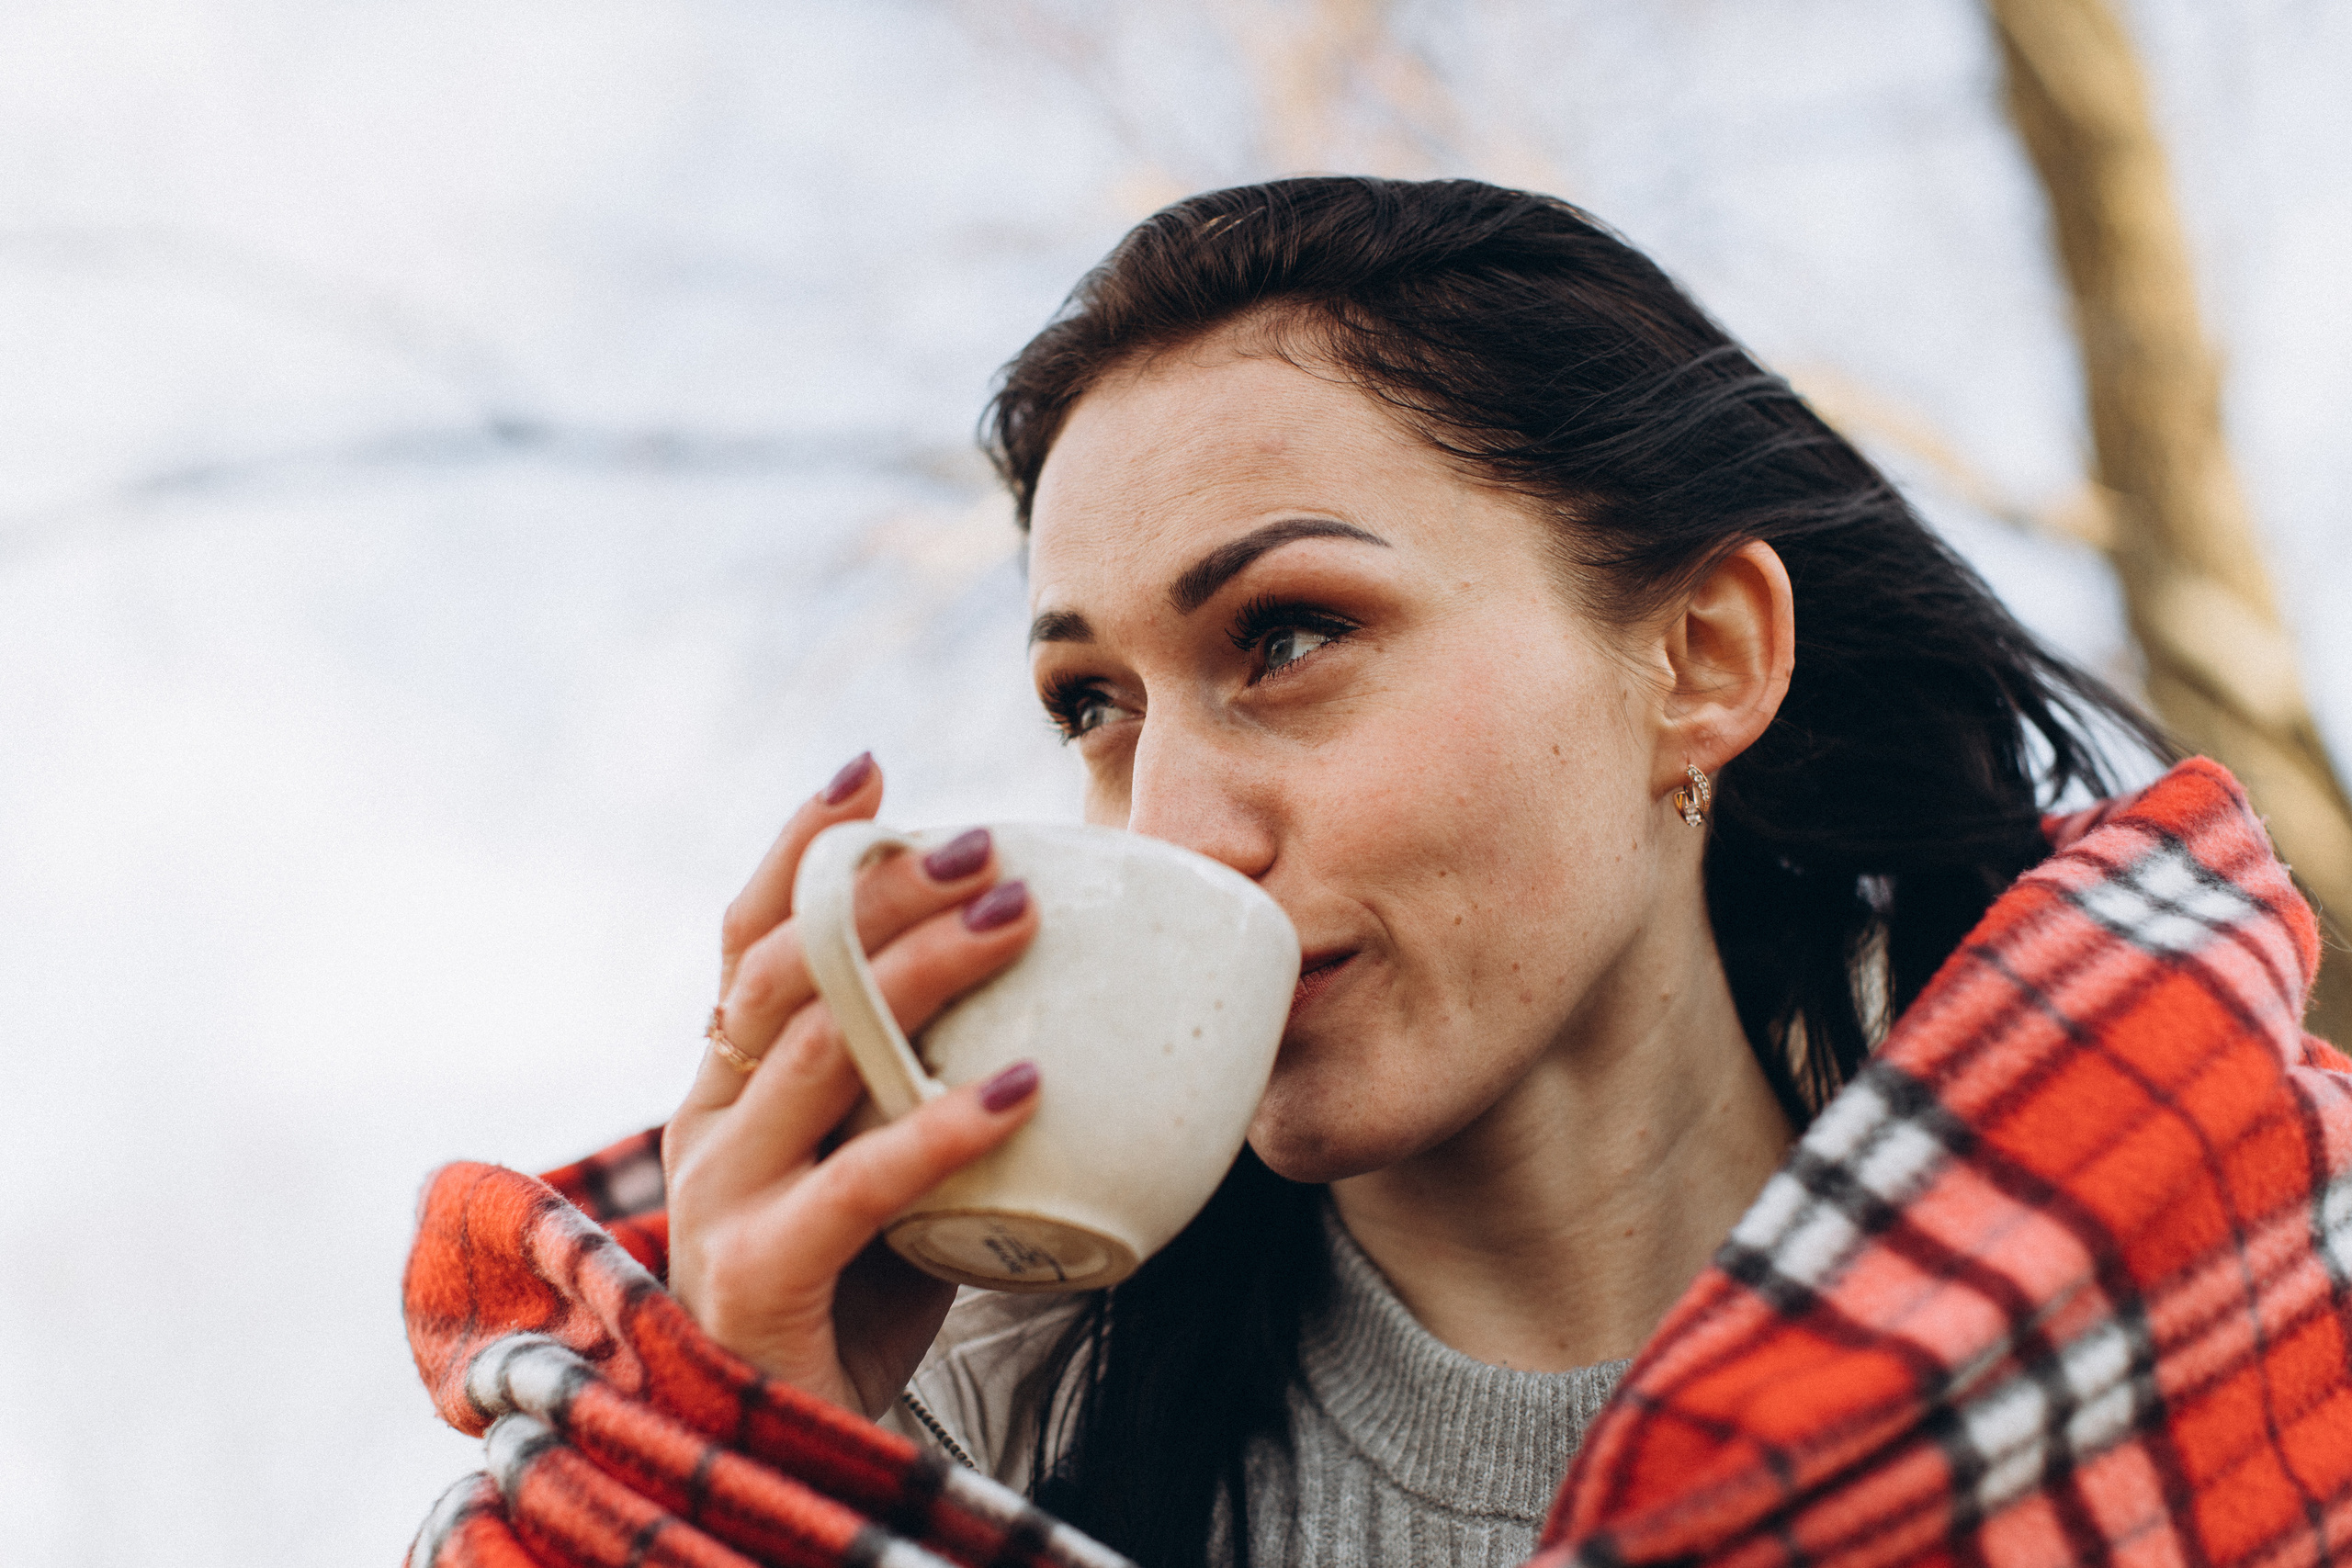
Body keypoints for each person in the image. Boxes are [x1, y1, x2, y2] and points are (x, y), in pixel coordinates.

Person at [654, 176, 2178, 1567]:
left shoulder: (2218, 1300)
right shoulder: (965, 1439)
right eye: (1093, 707)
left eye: (1289, 636)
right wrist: (781, 1485)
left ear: (1702, 661)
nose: (1174, 833)